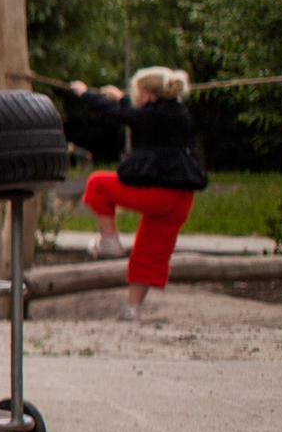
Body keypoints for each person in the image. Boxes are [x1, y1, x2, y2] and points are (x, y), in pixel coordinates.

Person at [69, 66, 206, 323]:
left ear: (146, 95)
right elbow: (138, 114)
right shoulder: (178, 113)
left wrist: (85, 94)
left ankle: (109, 241)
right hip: (181, 199)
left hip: (160, 194)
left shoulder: (152, 116)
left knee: (97, 184)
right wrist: (120, 97)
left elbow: (121, 115)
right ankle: (131, 309)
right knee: (149, 253)